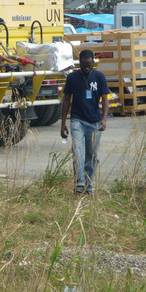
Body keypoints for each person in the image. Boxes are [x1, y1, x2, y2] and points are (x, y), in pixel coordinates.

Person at [60, 49, 110, 195]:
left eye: (89, 66)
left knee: (92, 154)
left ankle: (89, 184)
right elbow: (66, 101)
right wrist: (63, 123)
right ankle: (80, 182)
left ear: (93, 62)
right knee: (77, 150)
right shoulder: (72, 78)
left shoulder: (100, 77)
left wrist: (104, 119)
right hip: (77, 120)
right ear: (80, 63)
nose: (87, 69)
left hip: (94, 121)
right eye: (84, 66)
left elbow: (105, 100)